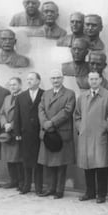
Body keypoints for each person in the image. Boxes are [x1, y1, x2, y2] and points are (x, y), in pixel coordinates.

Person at [75, 71, 108, 203]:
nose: (93, 81)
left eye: (96, 79)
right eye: (91, 79)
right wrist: (81, 127)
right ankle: (90, 192)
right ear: (88, 80)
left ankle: (101, 194)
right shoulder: (82, 96)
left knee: (101, 165)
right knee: (87, 165)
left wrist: (104, 127)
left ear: (100, 80)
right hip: (85, 136)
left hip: (100, 135)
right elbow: (77, 115)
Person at [38, 69, 76, 199]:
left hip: (60, 133)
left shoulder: (69, 94)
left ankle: (59, 190)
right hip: (47, 132)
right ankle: (50, 188)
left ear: (62, 79)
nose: (55, 81)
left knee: (60, 164)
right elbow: (41, 109)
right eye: (53, 78)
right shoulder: (46, 94)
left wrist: (51, 123)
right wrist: (45, 123)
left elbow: (67, 111)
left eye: (58, 78)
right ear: (50, 80)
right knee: (48, 162)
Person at [13, 72, 45, 195]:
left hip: (39, 134)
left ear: (38, 80)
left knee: (38, 162)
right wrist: (17, 132)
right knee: (26, 161)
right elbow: (17, 116)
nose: (29, 81)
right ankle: (26, 186)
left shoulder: (44, 94)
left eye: (32, 79)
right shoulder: (21, 97)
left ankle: (38, 187)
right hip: (25, 134)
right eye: (28, 79)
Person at [0, 77, 24, 190]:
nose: (12, 87)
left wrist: (12, 125)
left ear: (20, 85)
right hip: (7, 132)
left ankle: (21, 182)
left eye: (14, 84)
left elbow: (24, 115)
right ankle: (13, 181)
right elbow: (2, 113)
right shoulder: (7, 98)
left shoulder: (24, 97)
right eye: (10, 85)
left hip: (17, 131)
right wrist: (5, 124)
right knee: (9, 158)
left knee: (18, 158)